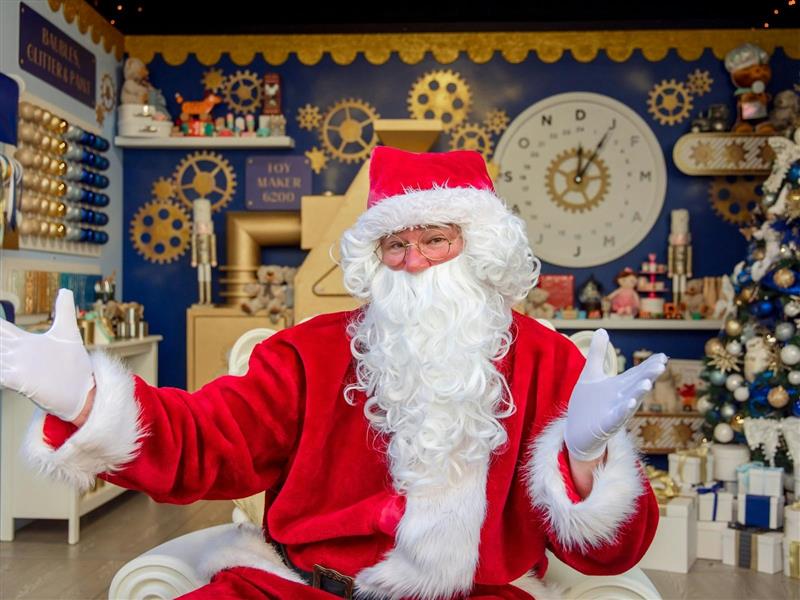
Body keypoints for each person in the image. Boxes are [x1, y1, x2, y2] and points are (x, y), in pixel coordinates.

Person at [0, 147, 665, 600]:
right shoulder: (309, 353)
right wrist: (89, 399)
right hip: (295, 587)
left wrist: (586, 460)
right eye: (395, 245)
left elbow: (609, 556)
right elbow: (209, 438)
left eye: (435, 240)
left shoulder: (550, 365)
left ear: (479, 247)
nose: (413, 261)